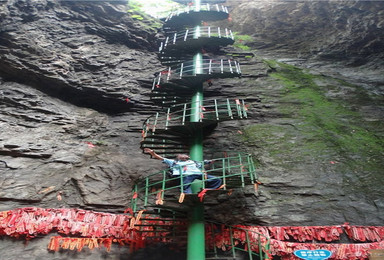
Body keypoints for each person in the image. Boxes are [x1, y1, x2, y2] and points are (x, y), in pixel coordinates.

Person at [143, 148, 222, 194]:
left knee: (217, 179)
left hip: (197, 173)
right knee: (185, 186)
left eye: (184, 154)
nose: (182, 155)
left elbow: (205, 162)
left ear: (188, 156)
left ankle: (209, 189)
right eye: (180, 154)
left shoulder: (193, 162)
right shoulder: (175, 162)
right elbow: (161, 158)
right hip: (186, 175)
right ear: (178, 157)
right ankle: (188, 195)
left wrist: (211, 161)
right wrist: (153, 153)